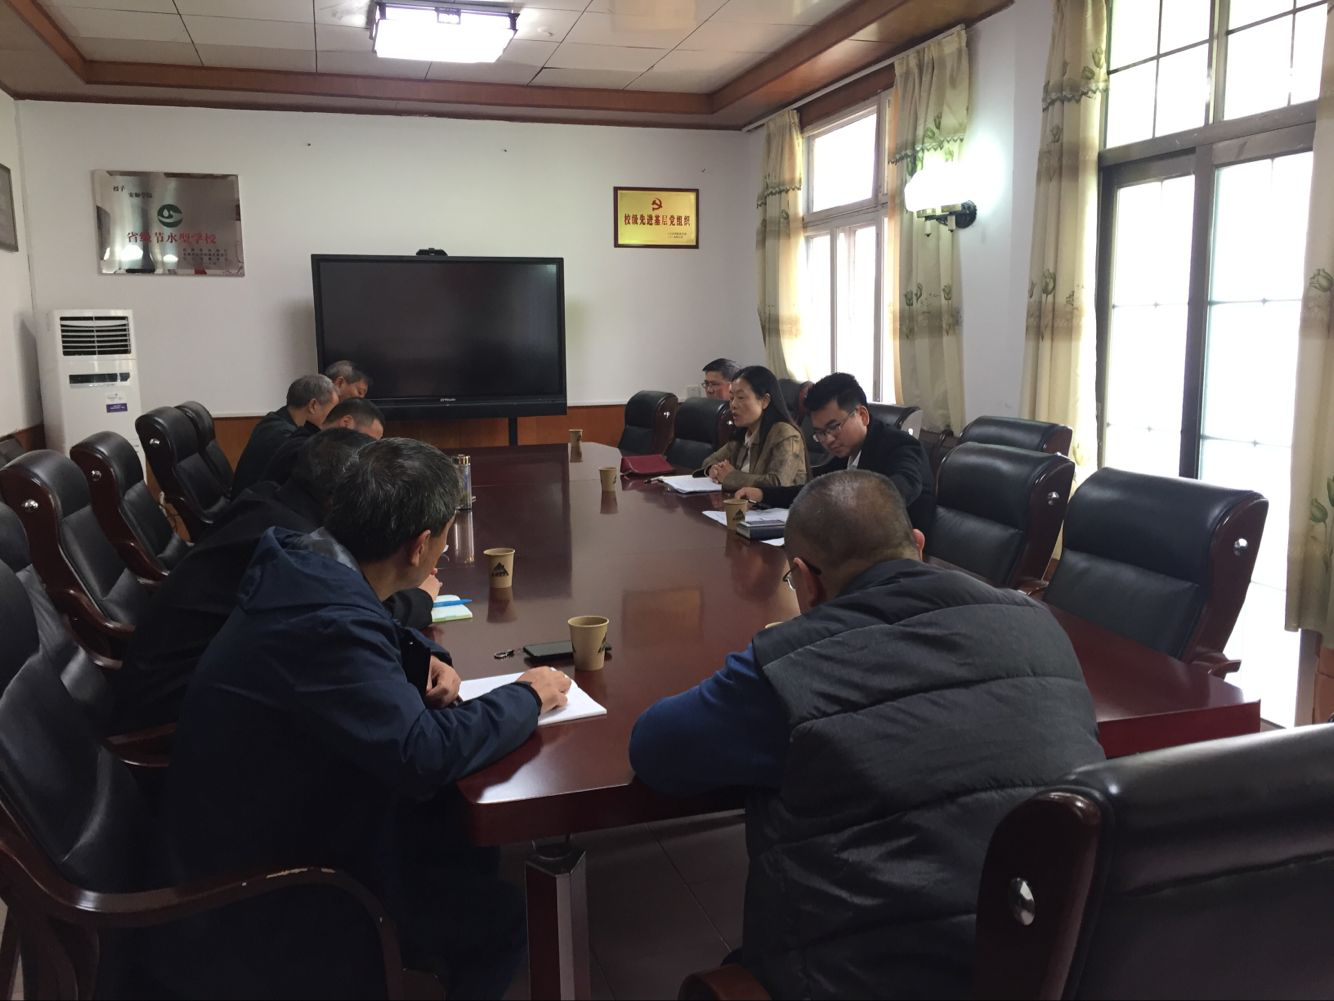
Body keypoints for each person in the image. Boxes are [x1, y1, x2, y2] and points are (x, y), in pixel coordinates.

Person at [629, 471, 1104, 1000]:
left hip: (861, 978)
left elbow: (654, 749)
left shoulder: (788, 665)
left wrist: (779, 652)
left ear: (804, 579)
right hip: (1050, 965)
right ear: (918, 544)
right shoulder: (1039, 625)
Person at [163, 439, 571, 998]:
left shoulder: (304, 558)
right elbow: (423, 754)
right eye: (445, 536)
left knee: (460, 834)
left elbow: (366, 622)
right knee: (502, 920)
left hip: (279, 816)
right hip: (274, 886)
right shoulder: (326, 622)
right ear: (420, 546)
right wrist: (527, 696)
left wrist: (420, 655)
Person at [120, 428, 436, 733]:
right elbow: (349, 617)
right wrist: (420, 597)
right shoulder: (290, 540)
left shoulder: (269, 501)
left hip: (180, 682)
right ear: (341, 497)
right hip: (177, 711)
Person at [736, 372, 936, 531]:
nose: (828, 440)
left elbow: (905, 484)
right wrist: (763, 494)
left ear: (862, 415)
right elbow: (815, 489)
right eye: (820, 433)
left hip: (903, 549)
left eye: (833, 427)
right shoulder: (846, 452)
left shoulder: (900, 445)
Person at [696, 365, 807, 491]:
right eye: (731, 398)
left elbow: (778, 483)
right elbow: (709, 461)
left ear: (765, 400)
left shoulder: (785, 434)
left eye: (741, 397)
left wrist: (731, 477)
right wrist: (714, 469)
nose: (733, 405)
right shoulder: (744, 433)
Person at [230, 373, 338, 496]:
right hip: (252, 504)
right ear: (313, 406)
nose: (334, 418)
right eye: (333, 412)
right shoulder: (287, 439)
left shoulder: (274, 420)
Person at [257, 396, 386, 487]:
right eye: (367, 441)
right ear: (346, 423)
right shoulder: (306, 452)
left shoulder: (307, 441)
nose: (367, 449)